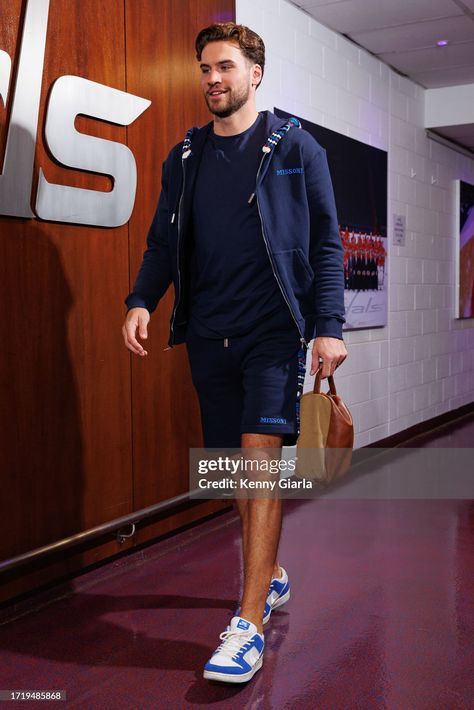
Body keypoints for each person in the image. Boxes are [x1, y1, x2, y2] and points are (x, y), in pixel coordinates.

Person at [122, 22, 347, 684]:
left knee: (258, 467)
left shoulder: (297, 148)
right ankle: (270, 574)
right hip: (207, 332)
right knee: (229, 476)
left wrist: (328, 325)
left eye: (223, 66)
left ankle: (246, 623)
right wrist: (141, 299)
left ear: (255, 73)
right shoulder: (185, 157)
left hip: (273, 333)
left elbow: (329, 243)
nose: (211, 78)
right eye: (203, 69)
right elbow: (165, 242)